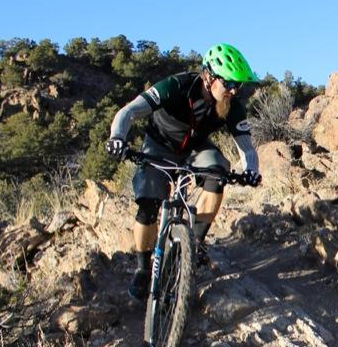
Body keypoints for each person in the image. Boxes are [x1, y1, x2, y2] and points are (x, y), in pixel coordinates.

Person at [105, 43, 263, 300]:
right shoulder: (176, 86)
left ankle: (194, 245)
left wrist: (251, 170)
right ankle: (143, 269)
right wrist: (117, 138)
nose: (234, 90)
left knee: (219, 171)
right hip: (159, 146)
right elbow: (129, 111)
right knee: (147, 205)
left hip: (195, 149)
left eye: (238, 85)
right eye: (229, 83)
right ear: (209, 76)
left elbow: (246, 145)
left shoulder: (230, 105)